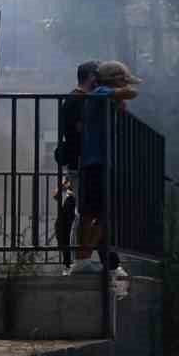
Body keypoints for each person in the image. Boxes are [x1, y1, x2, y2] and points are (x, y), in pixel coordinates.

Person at [73, 59, 141, 276]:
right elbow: (131, 93)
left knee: (91, 213)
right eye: (122, 80)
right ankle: (83, 259)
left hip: (96, 162)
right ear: (114, 81)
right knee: (102, 213)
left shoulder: (101, 97)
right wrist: (120, 92)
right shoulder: (100, 92)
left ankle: (83, 259)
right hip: (97, 162)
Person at [53, 60, 98, 270]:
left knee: (86, 212)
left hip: (79, 163)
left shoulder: (75, 99)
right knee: (84, 212)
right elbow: (78, 130)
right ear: (90, 77)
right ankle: (79, 261)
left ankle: (79, 260)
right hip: (80, 164)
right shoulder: (77, 100)